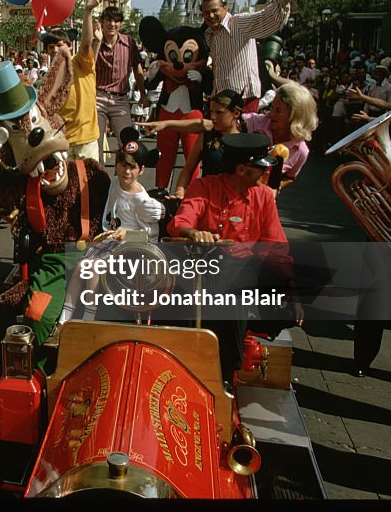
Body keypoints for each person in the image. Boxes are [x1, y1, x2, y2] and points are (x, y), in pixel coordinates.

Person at [168, 133, 295, 382]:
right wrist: (194, 232)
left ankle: (227, 371)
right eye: (260, 169)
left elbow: (276, 246)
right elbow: (181, 221)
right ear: (243, 170)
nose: (265, 174)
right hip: (203, 271)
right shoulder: (203, 187)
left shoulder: (264, 197)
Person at [200, 0, 303, 112]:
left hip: (243, 99)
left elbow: (266, 18)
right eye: (206, 12)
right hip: (221, 99)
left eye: (215, 10)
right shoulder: (210, 34)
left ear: (225, 7)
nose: (210, 15)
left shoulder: (238, 23)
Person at [140, 89, 247, 200]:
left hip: (234, 201)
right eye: (211, 112)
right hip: (207, 197)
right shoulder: (207, 136)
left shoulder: (246, 143)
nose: (213, 117)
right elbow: (187, 169)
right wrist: (180, 191)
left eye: (219, 112)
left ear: (236, 113)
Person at [240, 82, 317, 190]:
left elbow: (290, 177)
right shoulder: (253, 123)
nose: (271, 114)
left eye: (278, 110)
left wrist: (275, 188)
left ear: (294, 117)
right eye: (272, 107)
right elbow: (230, 123)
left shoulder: (301, 151)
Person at [93, 3, 144, 162]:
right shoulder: (96, 42)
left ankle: (121, 178)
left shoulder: (129, 42)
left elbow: (138, 68)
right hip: (98, 97)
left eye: (116, 21)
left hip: (120, 98)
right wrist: (96, 41)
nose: (112, 24)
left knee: (127, 143)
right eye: (108, 20)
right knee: (96, 143)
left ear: (121, 23)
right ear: (102, 22)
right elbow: (88, 65)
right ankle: (98, 180)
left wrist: (143, 93)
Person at [102, 127, 165, 241]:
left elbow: (150, 237)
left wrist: (127, 235)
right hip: (107, 243)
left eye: (132, 167)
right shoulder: (115, 182)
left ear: (141, 170)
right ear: (116, 165)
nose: (126, 172)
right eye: (123, 165)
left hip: (129, 251)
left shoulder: (142, 201)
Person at [51, 21, 99, 160]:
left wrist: (87, 11)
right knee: (66, 182)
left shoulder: (80, 63)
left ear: (70, 46)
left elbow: (85, 45)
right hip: (62, 142)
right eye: (50, 47)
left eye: (59, 45)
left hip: (85, 139)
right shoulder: (49, 76)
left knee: (88, 181)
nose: (55, 50)